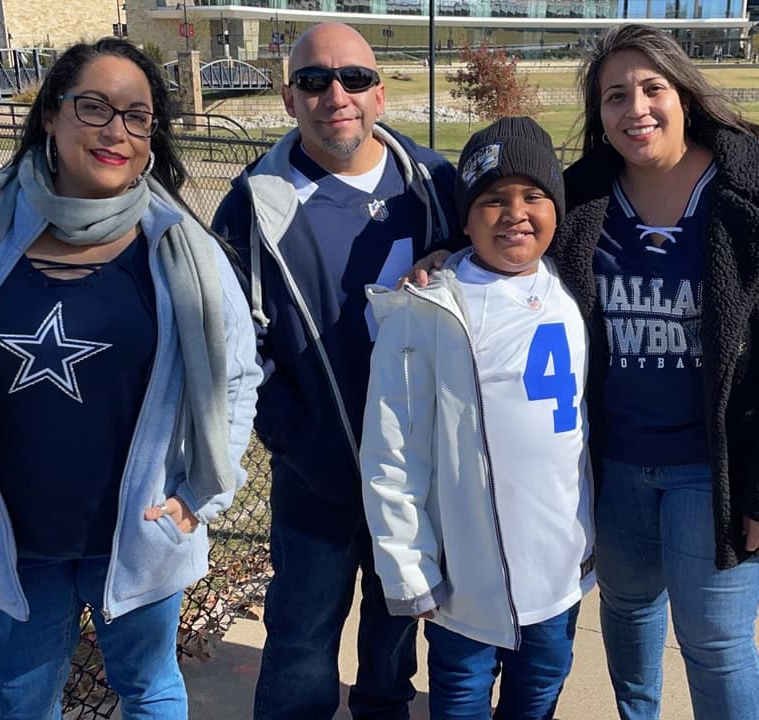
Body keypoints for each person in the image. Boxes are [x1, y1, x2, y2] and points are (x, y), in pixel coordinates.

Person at [0, 37, 262, 719]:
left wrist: (200, 497)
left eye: (138, 116)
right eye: (94, 107)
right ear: (50, 114)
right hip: (11, 536)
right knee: (23, 700)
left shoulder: (179, 243)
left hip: (140, 531)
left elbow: (236, 375)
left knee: (149, 690)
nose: (117, 131)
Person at [565, 24, 759, 719]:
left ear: (683, 94)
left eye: (652, 88)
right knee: (627, 612)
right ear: (599, 115)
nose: (636, 109)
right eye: (614, 96)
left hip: (718, 468)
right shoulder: (577, 203)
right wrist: (444, 253)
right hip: (617, 465)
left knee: (715, 639)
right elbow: (498, 226)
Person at [210, 21, 459, 720]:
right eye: (315, 81)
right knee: (300, 649)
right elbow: (236, 348)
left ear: (380, 93)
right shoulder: (253, 206)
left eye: (352, 78)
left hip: (416, 475)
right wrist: (298, 439)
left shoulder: (436, 185)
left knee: (392, 644)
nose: (336, 95)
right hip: (318, 478)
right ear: (290, 98)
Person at [361, 118, 595, 720]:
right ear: (464, 218)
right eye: (493, 199)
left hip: (556, 575)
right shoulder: (428, 311)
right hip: (466, 585)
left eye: (533, 196)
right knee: (460, 700)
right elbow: (392, 454)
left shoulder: (575, 292)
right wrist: (408, 566)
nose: (515, 213)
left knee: (539, 695)